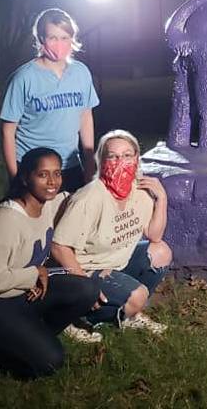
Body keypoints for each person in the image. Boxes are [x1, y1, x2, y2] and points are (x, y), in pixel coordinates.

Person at [0, 147, 101, 378]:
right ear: (25, 177)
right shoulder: (8, 219)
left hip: (24, 292)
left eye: (57, 173)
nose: (52, 181)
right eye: (42, 174)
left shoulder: (51, 203)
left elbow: (84, 199)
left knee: (87, 288)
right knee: (51, 361)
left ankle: (31, 334)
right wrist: (34, 274)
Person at [51, 130, 173, 337]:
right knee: (138, 295)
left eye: (127, 155)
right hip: (85, 269)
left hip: (114, 262)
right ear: (101, 161)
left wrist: (162, 199)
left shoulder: (141, 191)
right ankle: (75, 316)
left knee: (161, 252)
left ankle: (127, 314)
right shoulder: (89, 198)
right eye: (113, 156)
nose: (120, 162)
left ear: (137, 158)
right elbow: (59, 246)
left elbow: (154, 236)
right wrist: (85, 287)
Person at [0, 8, 99, 192]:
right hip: (35, 168)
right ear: (41, 40)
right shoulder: (23, 78)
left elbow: (86, 117)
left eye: (64, 37)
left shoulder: (81, 73)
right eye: (52, 38)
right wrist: (15, 177)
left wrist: (90, 163)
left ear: (72, 39)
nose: (59, 44)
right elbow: (8, 131)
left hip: (70, 165)